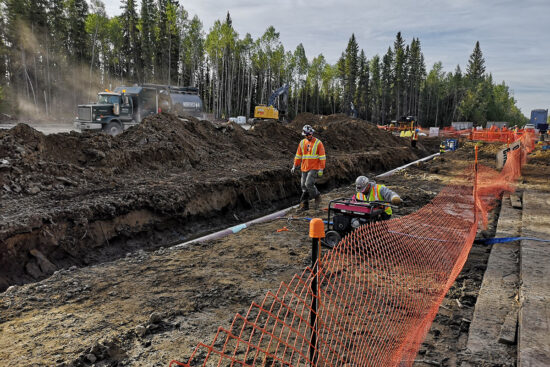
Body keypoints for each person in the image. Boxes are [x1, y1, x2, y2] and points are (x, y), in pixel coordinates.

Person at [291, 125, 326, 211]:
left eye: (310, 134)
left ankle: (317, 195)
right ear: (304, 135)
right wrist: (294, 166)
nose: (309, 136)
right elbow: (298, 155)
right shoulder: (302, 143)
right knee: (303, 186)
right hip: (304, 167)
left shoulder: (318, 143)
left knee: (308, 184)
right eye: (307, 135)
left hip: (314, 167)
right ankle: (305, 205)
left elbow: (322, 157)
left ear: (312, 133)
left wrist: (321, 168)